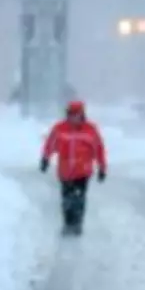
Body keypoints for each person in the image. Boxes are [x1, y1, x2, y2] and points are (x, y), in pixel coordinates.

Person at [40, 100, 107, 234]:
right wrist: (45, 159)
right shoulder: (59, 128)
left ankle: (77, 223)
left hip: (83, 171)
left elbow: (99, 148)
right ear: (68, 114)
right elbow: (50, 144)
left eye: (77, 114)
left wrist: (102, 167)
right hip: (65, 172)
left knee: (79, 199)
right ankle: (67, 222)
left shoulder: (90, 129)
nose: (74, 117)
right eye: (72, 114)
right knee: (66, 199)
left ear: (82, 114)